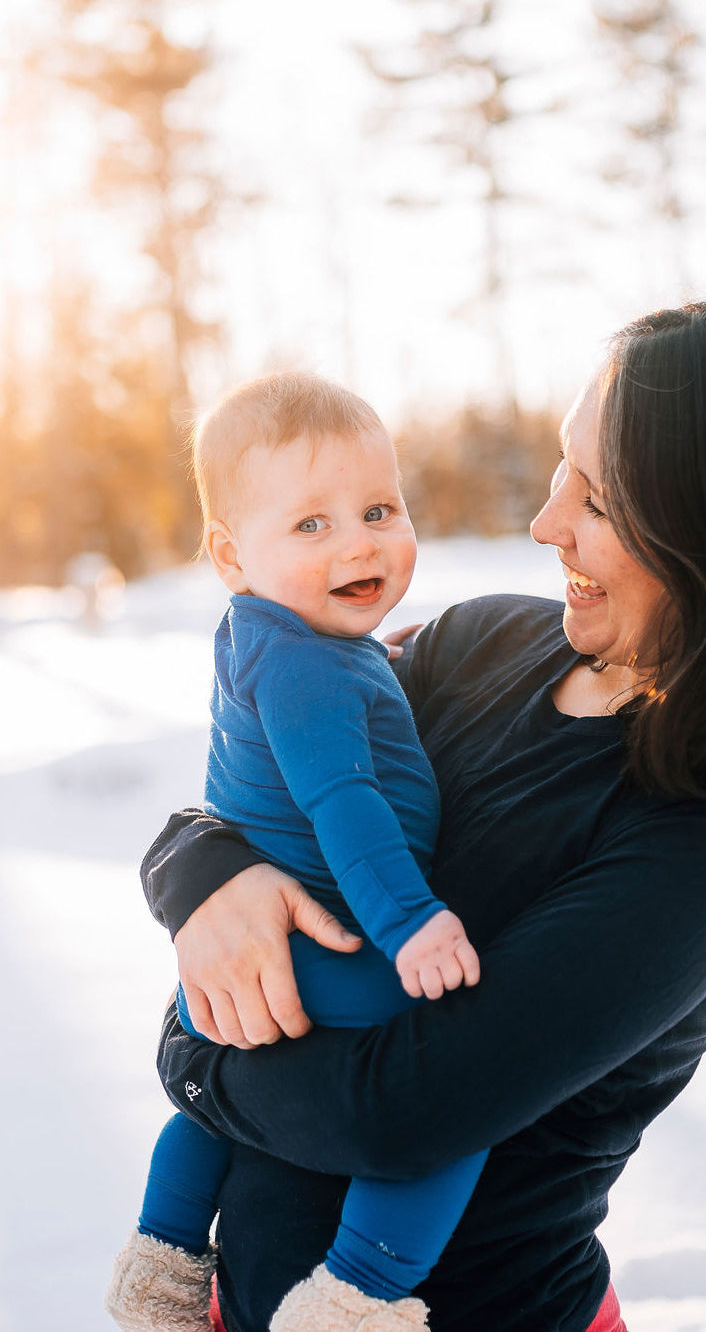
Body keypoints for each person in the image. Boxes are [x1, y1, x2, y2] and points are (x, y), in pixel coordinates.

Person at [142, 292, 706, 1332]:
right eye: (564, 469)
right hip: (242, 1301)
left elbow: (401, 1115)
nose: (543, 523)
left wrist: (193, 1054)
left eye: (598, 502)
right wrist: (196, 865)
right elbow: (264, 778)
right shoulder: (475, 644)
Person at [107, 373, 485, 1332]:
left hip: (247, 970)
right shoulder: (312, 667)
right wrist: (410, 923)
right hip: (335, 948)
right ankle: (360, 1291)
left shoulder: (270, 637)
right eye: (309, 525)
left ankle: (164, 1255)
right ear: (232, 556)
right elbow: (344, 805)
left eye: (377, 509)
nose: (358, 542)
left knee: (209, 1116)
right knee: (458, 1106)